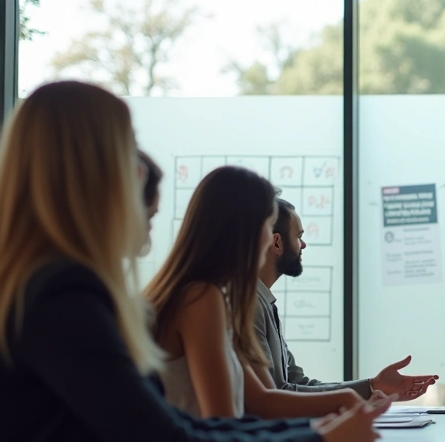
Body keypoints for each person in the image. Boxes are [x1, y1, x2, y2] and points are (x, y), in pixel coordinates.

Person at [0, 81, 386, 442]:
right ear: (91, 172)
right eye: (128, 149)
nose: (144, 170)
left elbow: (178, 432)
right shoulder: (60, 296)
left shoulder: (41, 285)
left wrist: (317, 432)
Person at [146, 166, 413, 419]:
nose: (270, 238)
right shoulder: (202, 298)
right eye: (267, 225)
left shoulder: (220, 298)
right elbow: (230, 423)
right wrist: (334, 423)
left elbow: (265, 399)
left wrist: (353, 402)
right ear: (250, 232)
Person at [256, 197, 437, 399]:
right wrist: (365, 392)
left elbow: (298, 384)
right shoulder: (250, 306)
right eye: (298, 236)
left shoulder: (264, 302)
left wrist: (372, 387)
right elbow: (278, 395)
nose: (303, 245)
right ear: (277, 243)